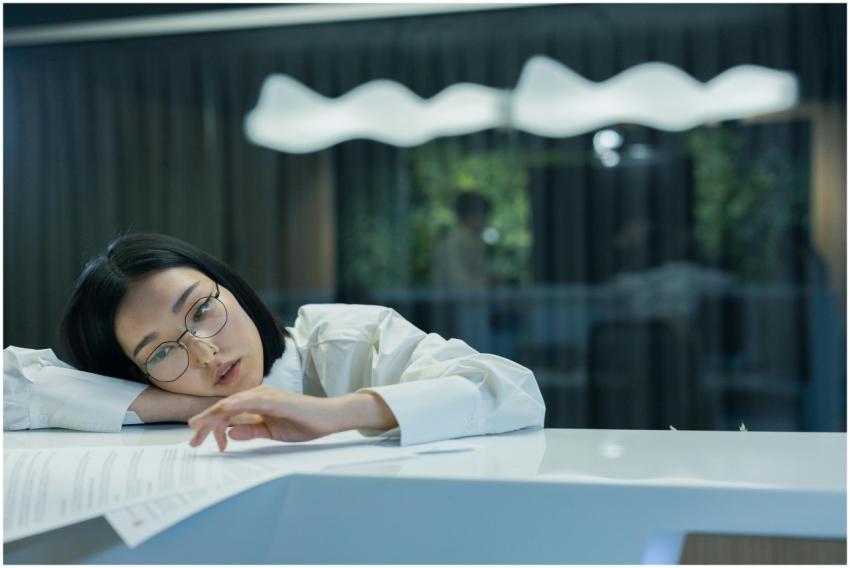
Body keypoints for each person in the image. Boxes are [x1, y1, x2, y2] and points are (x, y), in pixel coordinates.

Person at [4, 233, 545, 450]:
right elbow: (12, 388)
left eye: (201, 310)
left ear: (232, 289)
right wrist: (190, 405)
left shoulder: (344, 339)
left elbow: (512, 390)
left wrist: (336, 413)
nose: (205, 353)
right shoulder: (169, 401)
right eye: (163, 353)